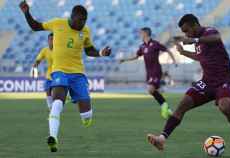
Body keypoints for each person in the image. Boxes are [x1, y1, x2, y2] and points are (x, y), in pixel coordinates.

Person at [147, 14, 230, 154]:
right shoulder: (198, 42)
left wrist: (193, 39)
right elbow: (201, 57)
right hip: (206, 82)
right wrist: (183, 52)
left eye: (186, 30)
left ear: (195, 25)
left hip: (224, 80)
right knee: (182, 105)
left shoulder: (209, 32)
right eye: (184, 32)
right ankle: (161, 139)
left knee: (225, 107)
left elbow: (216, 38)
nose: (186, 33)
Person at [19, 1, 111, 152]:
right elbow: (35, 26)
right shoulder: (58, 23)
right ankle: (53, 138)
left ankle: (82, 111)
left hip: (78, 74)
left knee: (86, 117)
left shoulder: (85, 31)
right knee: (56, 104)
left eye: (84, 21)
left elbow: (89, 50)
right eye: (80, 20)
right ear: (72, 17)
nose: (82, 23)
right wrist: (26, 12)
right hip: (59, 71)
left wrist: (101, 53)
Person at [120, 27, 177, 119]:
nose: (140, 35)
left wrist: (174, 61)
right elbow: (136, 56)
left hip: (156, 70)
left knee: (151, 90)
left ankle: (164, 106)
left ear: (146, 33)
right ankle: (167, 108)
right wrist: (125, 60)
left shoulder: (155, 44)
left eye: (141, 33)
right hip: (149, 72)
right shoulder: (142, 46)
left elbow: (167, 50)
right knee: (152, 91)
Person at [32, 33, 53, 110]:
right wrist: (35, 68)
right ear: (48, 40)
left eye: (53, 39)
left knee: (56, 92)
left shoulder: (59, 50)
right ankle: (50, 106)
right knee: (48, 90)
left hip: (59, 74)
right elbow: (38, 60)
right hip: (49, 75)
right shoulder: (45, 50)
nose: (52, 41)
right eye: (50, 39)